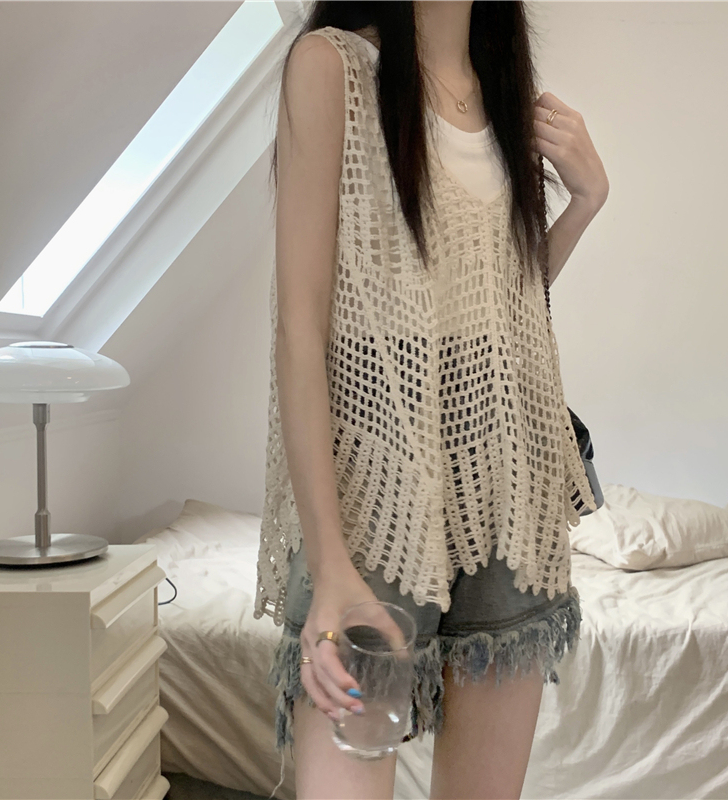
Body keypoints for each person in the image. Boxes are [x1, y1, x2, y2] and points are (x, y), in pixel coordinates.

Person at [253, 2, 609, 797]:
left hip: (506, 489)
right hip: (373, 492)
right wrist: (330, 563)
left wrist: (585, 202)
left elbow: (502, 306)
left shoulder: (504, 92)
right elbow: (301, 326)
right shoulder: (334, 67)